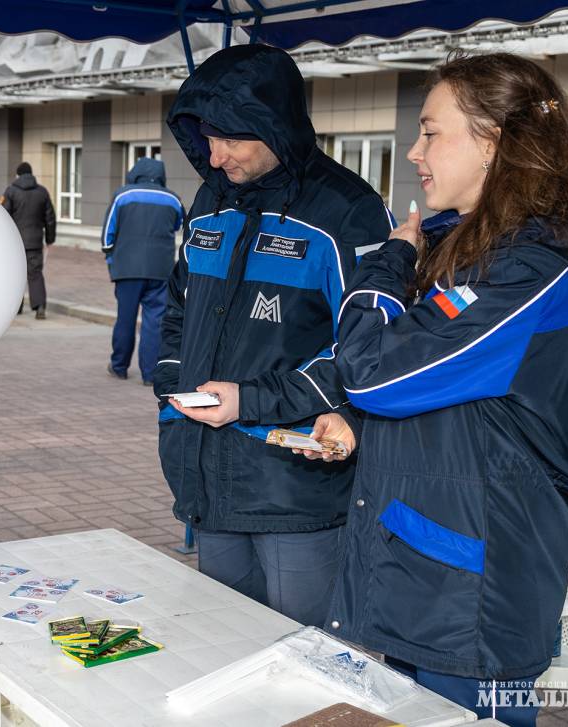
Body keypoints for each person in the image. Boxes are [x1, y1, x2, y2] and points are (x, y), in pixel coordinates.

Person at [301, 53, 568, 727]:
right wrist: (358, 423)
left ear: (491, 143)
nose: (413, 151)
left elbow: (373, 370)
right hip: (427, 569)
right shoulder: (471, 254)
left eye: (429, 131)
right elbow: (450, 394)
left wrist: (387, 262)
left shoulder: (530, 270)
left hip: (474, 598)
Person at [155, 44, 394, 627]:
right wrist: (169, 380)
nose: (214, 157)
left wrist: (252, 401)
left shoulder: (347, 211)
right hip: (208, 473)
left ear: (273, 127)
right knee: (222, 640)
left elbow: (370, 350)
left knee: (303, 660)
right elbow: (179, 306)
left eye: (231, 139)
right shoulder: (209, 200)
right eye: (206, 138)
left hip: (294, 487)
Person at [101, 157, 183, 385]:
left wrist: (111, 258)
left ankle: (119, 367)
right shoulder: (173, 199)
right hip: (160, 270)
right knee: (154, 322)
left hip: (127, 270)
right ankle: (150, 374)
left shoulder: (122, 195)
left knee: (125, 319)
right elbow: (178, 225)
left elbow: (108, 234)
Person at [1, 161, 57, 319]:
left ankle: (16, 307)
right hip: (35, 241)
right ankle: (40, 307)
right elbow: (50, 218)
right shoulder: (42, 192)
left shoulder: (11, 191)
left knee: (16, 274)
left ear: (18, 175)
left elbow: (3, 216)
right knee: (35, 273)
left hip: (15, 243)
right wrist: (50, 238)